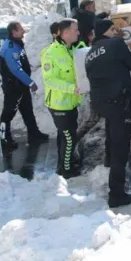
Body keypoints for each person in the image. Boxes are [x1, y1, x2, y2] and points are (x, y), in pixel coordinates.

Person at [85, 19, 131, 208]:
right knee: (121, 147)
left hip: (101, 104)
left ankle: (108, 166)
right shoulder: (116, 44)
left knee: (111, 136)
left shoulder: (90, 53)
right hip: (119, 103)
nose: (116, 31)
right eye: (112, 29)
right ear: (105, 32)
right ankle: (116, 194)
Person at [41, 19, 83, 178]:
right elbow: (49, 80)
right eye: (75, 30)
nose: (78, 33)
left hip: (71, 102)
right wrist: (72, 88)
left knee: (64, 137)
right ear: (65, 33)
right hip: (59, 104)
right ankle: (66, 170)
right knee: (69, 138)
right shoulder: (51, 53)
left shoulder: (71, 49)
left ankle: (65, 163)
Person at [0, 21, 49, 149]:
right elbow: (15, 69)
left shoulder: (17, 44)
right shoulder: (10, 47)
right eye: (20, 29)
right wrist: (30, 82)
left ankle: (34, 134)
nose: (23, 31)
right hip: (13, 87)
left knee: (27, 110)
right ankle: (4, 139)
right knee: (8, 113)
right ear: (13, 32)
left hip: (21, 85)